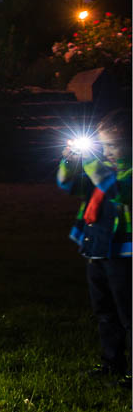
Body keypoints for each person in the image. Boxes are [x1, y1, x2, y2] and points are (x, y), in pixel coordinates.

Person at [58, 108, 131, 381]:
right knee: (104, 311)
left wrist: (89, 161)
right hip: (97, 249)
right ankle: (112, 363)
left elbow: (116, 191)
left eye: (114, 145)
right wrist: (69, 162)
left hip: (124, 252)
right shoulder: (99, 170)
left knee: (128, 312)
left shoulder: (125, 172)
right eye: (104, 145)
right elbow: (68, 186)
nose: (108, 151)